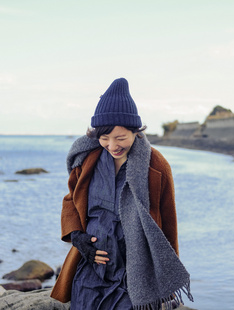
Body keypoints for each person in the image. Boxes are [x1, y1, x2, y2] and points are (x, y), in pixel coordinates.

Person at [51, 78, 193, 310]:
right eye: (104, 138)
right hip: (90, 270)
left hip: (134, 274)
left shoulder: (156, 166)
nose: (112, 145)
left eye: (120, 138)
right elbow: (71, 199)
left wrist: (165, 275)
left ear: (136, 131)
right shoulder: (87, 160)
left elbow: (168, 222)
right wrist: (77, 237)